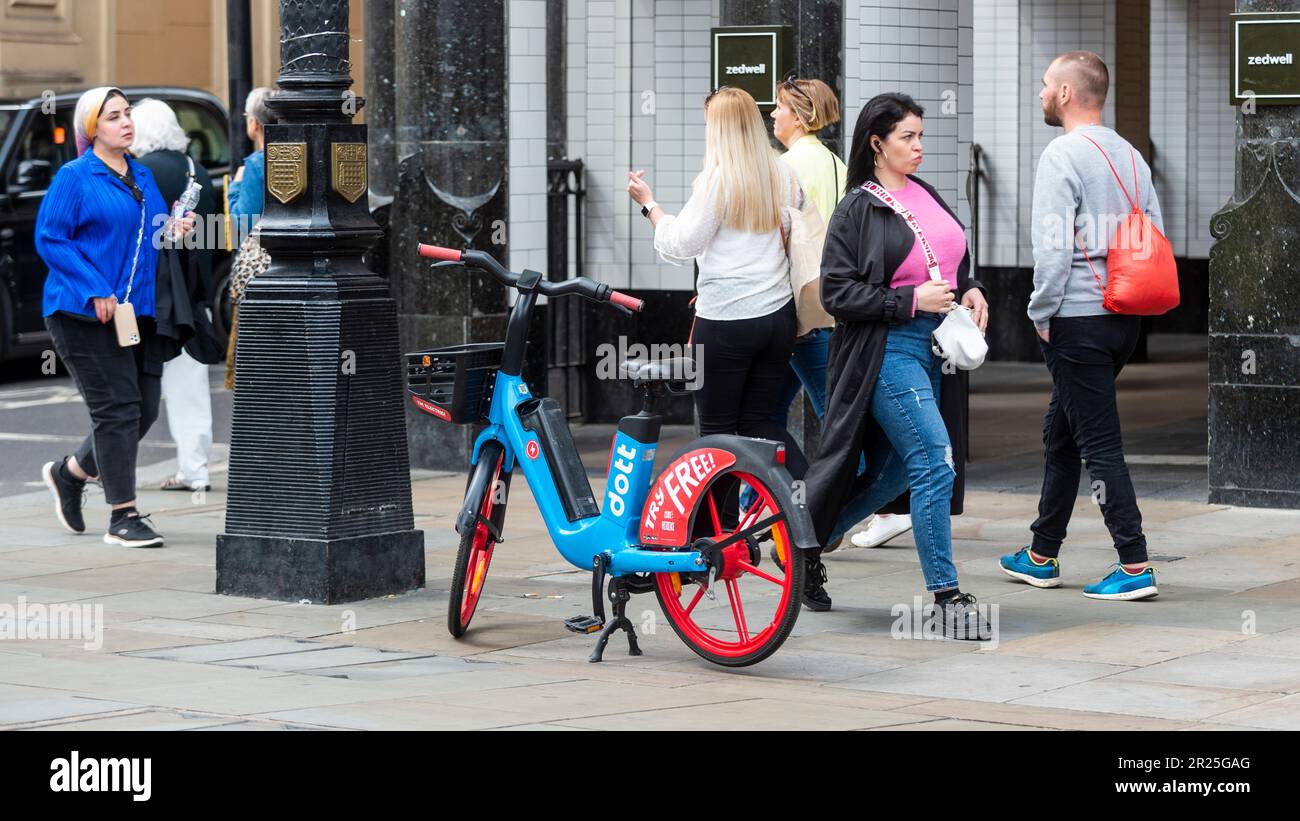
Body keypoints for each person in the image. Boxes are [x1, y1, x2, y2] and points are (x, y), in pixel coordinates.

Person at [801, 92, 990, 635]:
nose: (919, 147)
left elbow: (955, 259)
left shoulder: (926, 193)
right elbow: (836, 292)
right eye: (908, 137)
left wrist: (972, 289)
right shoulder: (857, 207)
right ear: (876, 143)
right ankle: (945, 594)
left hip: (939, 348)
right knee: (934, 457)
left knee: (901, 469)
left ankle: (805, 542)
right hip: (886, 351)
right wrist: (907, 302)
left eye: (920, 136)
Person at [999, 51, 1162, 601]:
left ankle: (1135, 563)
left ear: (1067, 93)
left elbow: (1051, 250)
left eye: (1046, 84)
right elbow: (1153, 233)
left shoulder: (1062, 154)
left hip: (1078, 319)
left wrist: (1038, 314)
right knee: (1062, 432)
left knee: (1099, 444)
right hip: (1124, 320)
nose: (1040, 92)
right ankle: (1042, 553)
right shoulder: (1132, 156)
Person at [38, 87, 194, 549]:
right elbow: (52, 239)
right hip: (80, 312)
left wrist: (173, 229)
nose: (125, 122)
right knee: (118, 409)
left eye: (127, 114)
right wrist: (95, 288)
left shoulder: (140, 174)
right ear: (92, 128)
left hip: (135, 313)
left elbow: (149, 236)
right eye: (113, 117)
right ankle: (122, 515)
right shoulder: (75, 177)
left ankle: (70, 473)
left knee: (142, 411)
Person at [626, 86, 809, 479]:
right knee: (761, 423)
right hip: (778, 317)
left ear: (719, 129)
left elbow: (682, 243)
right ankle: (813, 506)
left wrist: (650, 206)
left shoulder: (717, 180)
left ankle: (720, 533)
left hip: (727, 321)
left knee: (717, 435)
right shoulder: (783, 173)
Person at [770, 75, 912, 553]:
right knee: (795, 412)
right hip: (833, 311)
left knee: (822, 421)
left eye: (780, 108)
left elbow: (782, 239)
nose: (773, 116)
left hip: (798, 309)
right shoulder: (835, 162)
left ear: (799, 114)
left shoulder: (788, 165)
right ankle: (779, 503)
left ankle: (814, 512)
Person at [130, 98, 219, 493]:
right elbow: (213, 236)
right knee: (190, 385)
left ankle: (105, 465)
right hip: (192, 294)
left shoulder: (139, 172)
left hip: (152, 294)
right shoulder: (196, 169)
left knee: (133, 383)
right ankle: (194, 470)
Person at [224, 86, 276, 390]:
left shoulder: (256, 165)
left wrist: (235, 186)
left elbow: (240, 225)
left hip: (261, 274)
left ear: (254, 124)